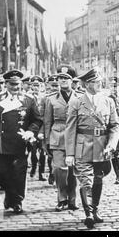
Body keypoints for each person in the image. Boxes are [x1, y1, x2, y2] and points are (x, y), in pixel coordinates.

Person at [65, 68, 119, 229]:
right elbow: (70, 129)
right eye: (96, 82)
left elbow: (115, 126)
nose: (99, 84)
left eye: (100, 82)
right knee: (85, 180)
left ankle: (95, 209)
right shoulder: (76, 101)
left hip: (102, 147)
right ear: (87, 84)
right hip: (82, 147)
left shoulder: (108, 101)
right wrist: (69, 153)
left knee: (98, 179)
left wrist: (112, 144)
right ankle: (88, 213)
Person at [0, 70, 42, 214]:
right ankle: (10, 195)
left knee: (18, 173)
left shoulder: (28, 100)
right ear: (6, 84)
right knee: (0, 173)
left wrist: (30, 131)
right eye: (12, 84)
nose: (15, 87)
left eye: (18, 84)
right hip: (0, 143)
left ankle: (17, 201)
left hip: (19, 143)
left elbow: (37, 119)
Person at [44, 66, 80, 212]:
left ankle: (72, 199)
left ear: (72, 80)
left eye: (66, 78)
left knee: (73, 171)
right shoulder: (50, 99)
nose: (63, 81)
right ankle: (61, 198)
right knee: (59, 169)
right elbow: (47, 121)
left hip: (76, 137)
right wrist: (46, 142)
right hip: (57, 137)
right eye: (60, 78)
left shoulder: (80, 97)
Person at [29, 75, 47, 181]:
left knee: (43, 151)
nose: (36, 87)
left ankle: (42, 172)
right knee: (33, 150)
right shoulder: (27, 97)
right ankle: (33, 168)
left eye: (38, 85)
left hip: (42, 126)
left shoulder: (44, 98)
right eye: (34, 85)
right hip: (32, 127)